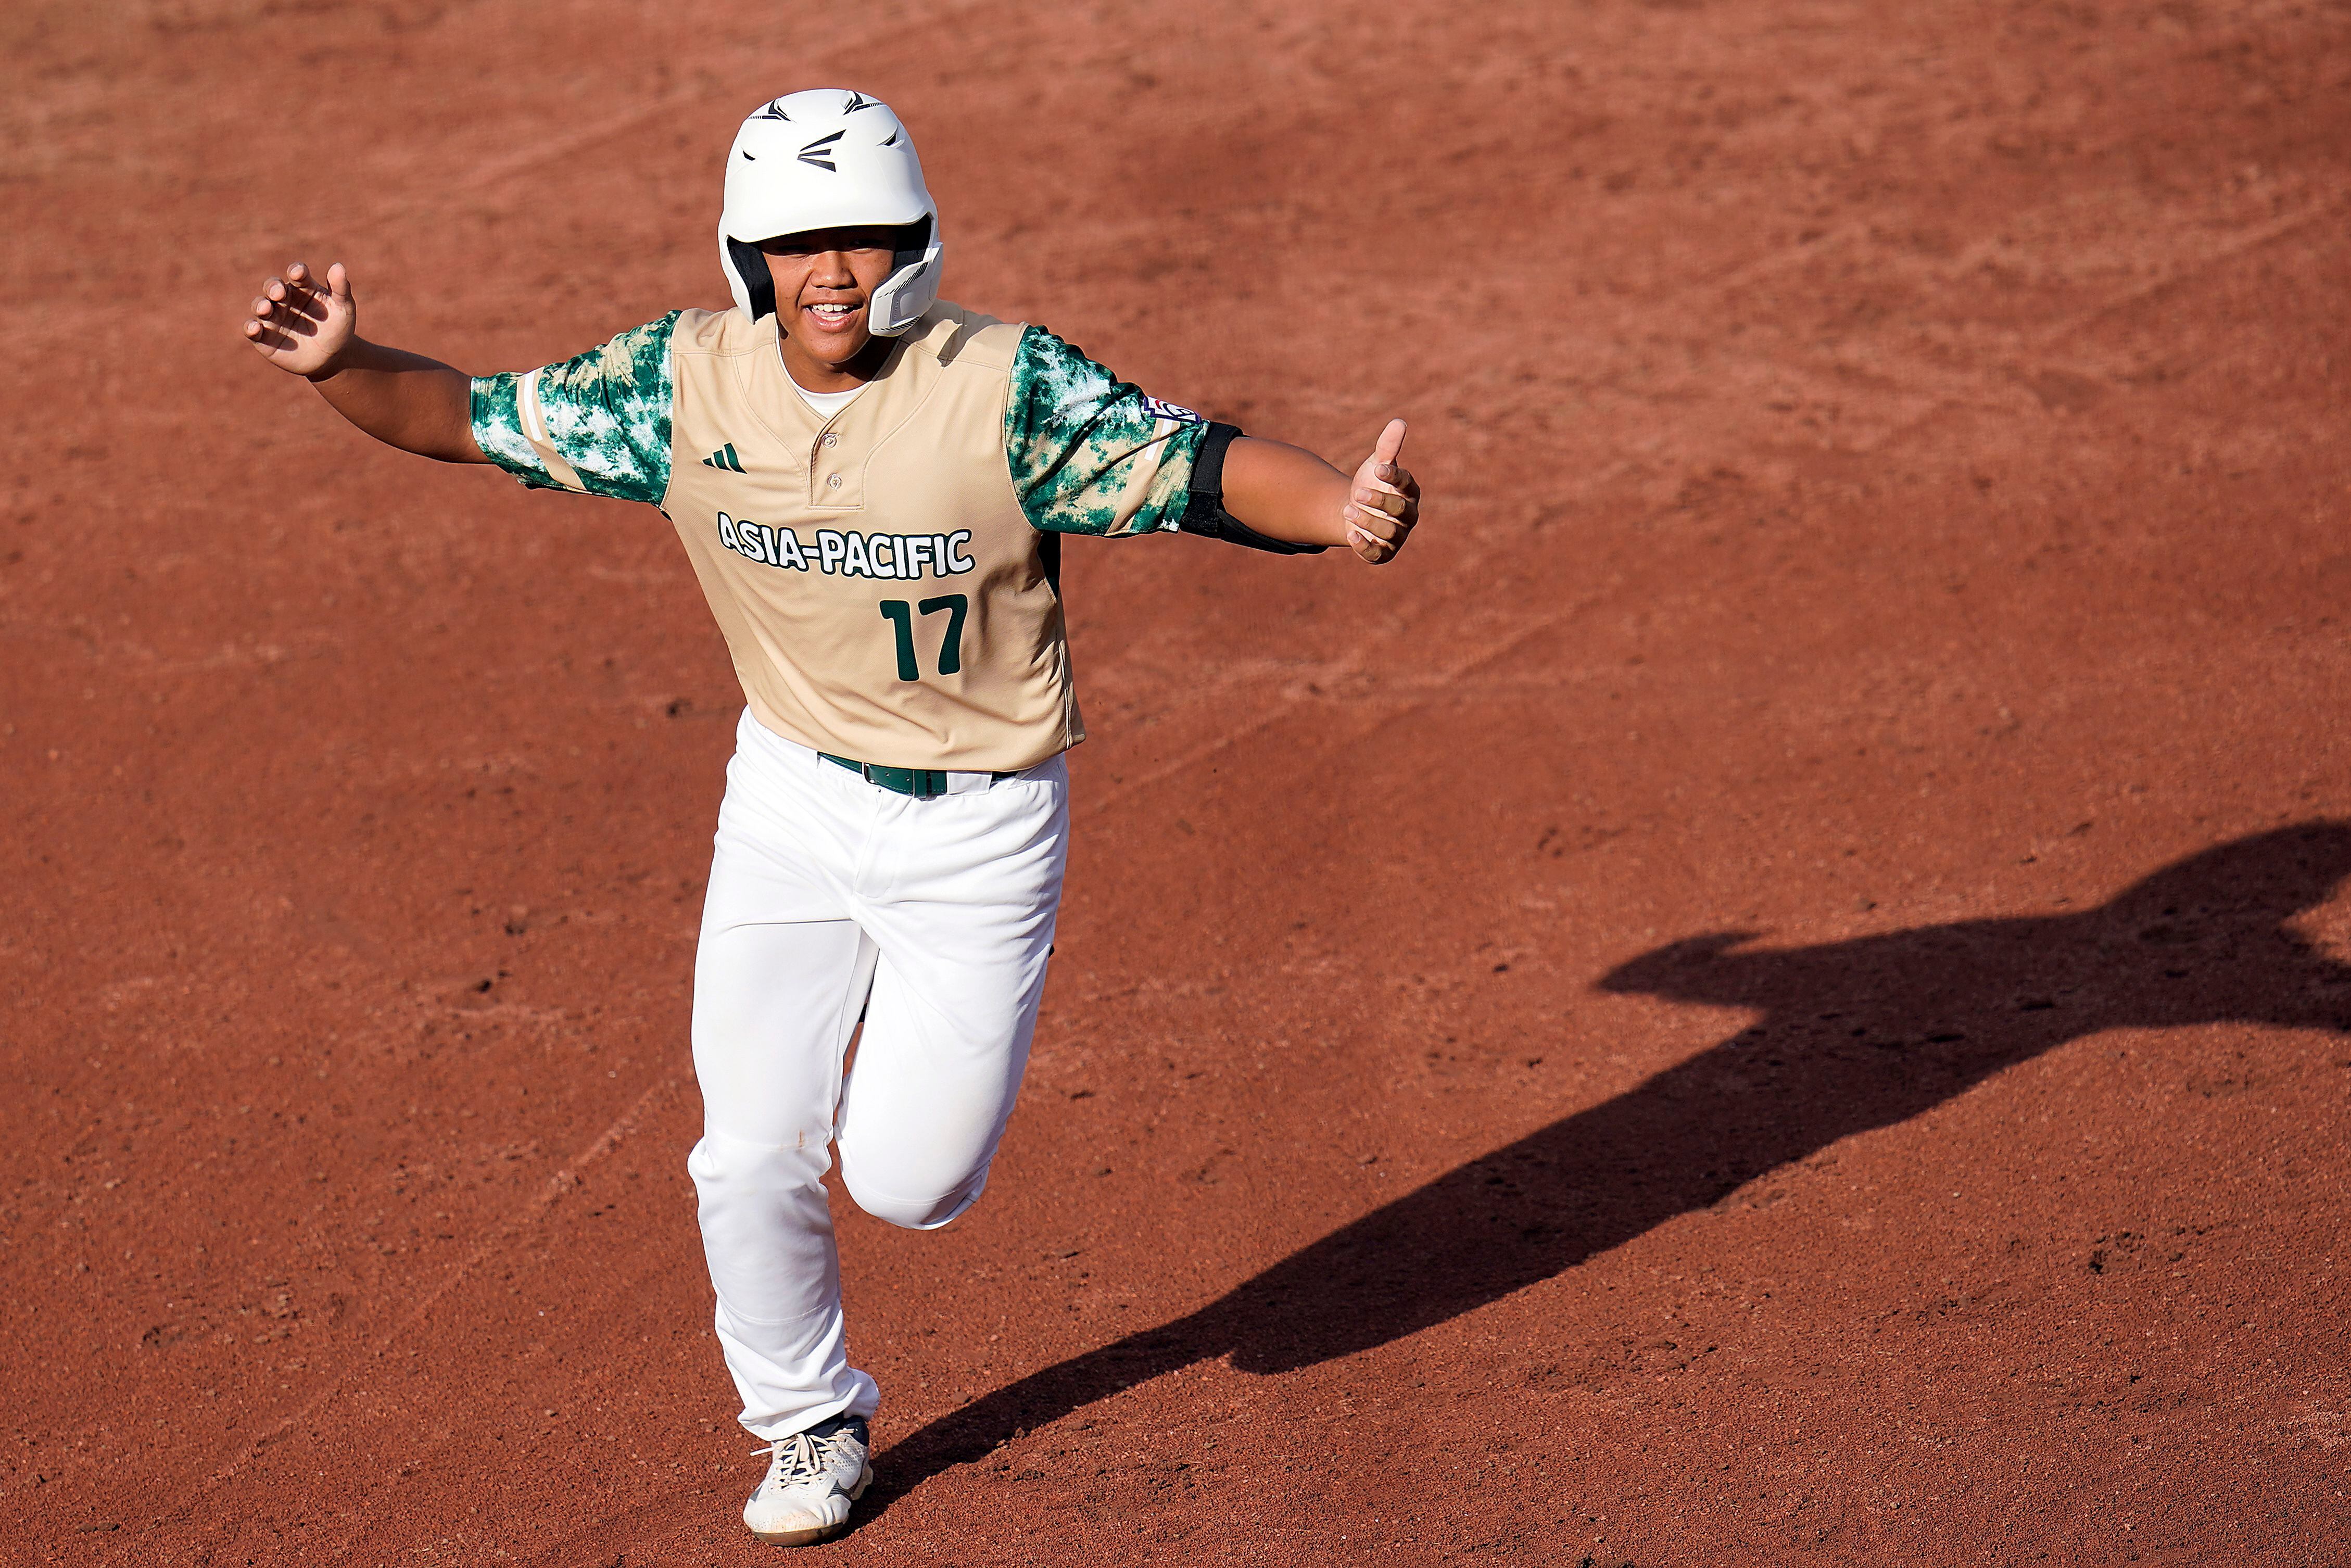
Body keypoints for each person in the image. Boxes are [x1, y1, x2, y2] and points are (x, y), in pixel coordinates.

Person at [241, 87, 1421, 1547]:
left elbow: (1193, 465)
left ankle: (888, 1204)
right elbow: (462, 417)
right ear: (750, 255)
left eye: (863, 241)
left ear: (912, 246)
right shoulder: (682, 386)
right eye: (800, 246)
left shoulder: (1002, 387)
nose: (833, 275)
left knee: (909, 1182)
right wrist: (342, 364)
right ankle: (806, 1419)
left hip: (980, 831)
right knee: (744, 1148)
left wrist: (1336, 507)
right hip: (790, 801)